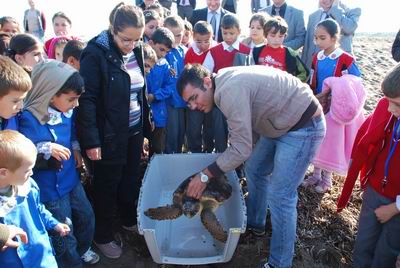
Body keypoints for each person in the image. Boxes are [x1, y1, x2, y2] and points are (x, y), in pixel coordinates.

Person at [177, 64, 326, 268]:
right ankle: (255, 224)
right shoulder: (221, 84)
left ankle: (279, 263)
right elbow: (247, 132)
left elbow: (240, 148)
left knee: (280, 195)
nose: (193, 106)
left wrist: (205, 175)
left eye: (194, 98)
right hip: (278, 122)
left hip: (304, 125)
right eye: (188, 104)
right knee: (255, 168)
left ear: (206, 82)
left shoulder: (228, 91)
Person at [77, 3, 151, 259]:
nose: (132, 45)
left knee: (131, 177)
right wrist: (91, 141)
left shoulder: (136, 49)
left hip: (132, 130)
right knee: (107, 185)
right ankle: (103, 234)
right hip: (107, 135)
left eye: (137, 39)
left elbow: (140, 92)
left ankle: (128, 218)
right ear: (112, 29)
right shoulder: (95, 53)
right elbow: (87, 99)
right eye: (126, 39)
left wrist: (143, 132)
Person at [18, 60, 99, 267]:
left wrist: (75, 147)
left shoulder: (65, 110)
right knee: (65, 230)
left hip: (70, 179)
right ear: (51, 93)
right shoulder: (28, 117)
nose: (76, 104)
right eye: (72, 99)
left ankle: (82, 250)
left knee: (87, 216)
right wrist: (44, 147)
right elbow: (17, 148)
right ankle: (71, 262)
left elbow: (70, 130)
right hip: (50, 190)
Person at [337, 64, 400, 268]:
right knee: (363, 243)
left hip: (397, 205)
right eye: (388, 101)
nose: (390, 109)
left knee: (386, 253)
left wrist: (395, 208)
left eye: (397, 104)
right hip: (375, 190)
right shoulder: (389, 111)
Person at [0, 130, 70, 267]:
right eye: (27, 171)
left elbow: (39, 208)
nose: (32, 173)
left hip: (42, 255)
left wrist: (53, 223)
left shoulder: (28, 186)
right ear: (3, 172)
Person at [303, 75, 366, 193]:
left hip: (334, 124)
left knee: (330, 151)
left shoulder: (343, 109)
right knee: (319, 149)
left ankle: (327, 180)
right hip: (327, 117)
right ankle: (316, 175)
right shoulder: (330, 102)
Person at [203, 14, 250, 153]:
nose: (228, 37)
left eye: (232, 33)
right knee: (219, 127)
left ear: (239, 31)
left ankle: (239, 158)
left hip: (240, 99)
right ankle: (220, 154)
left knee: (239, 129)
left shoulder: (246, 51)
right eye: (225, 33)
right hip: (220, 98)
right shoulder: (214, 51)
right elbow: (206, 73)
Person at [302, 0, 361, 69]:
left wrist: (335, 9)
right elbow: (308, 44)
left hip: (339, 63)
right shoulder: (313, 16)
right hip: (315, 64)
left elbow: (349, 29)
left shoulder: (351, 11)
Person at [185, 21, 215, 153]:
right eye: (199, 41)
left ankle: (209, 150)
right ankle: (195, 150)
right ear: (193, 36)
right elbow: (186, 75)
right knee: (194, 125)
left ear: (212, 37)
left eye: (206, 41)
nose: (203, 45)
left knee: (209, 126)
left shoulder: (215, 50)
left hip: (209, 97)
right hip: (195, 98)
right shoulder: (190, 52)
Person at [308, 19, 361, 94]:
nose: (318, 42)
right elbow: (312, 79)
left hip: (338, 101)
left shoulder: (346, 59)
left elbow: (356, 82)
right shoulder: (316, 57)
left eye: (322, 38)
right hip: (318, 99)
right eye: (316, 38)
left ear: (334, 38)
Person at [253, 16, 309, 82]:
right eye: (272, 36)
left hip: (281, 90)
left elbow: (304, 73)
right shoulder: (256, 50)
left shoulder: (290, 53)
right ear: (265, 35)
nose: (276, 40)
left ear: (285, 36)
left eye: (280, 36)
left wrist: (291, 85)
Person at [147, 27, 175, 155]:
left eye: (166, 52)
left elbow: (170, 87)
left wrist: (155, 96)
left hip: (159, 114)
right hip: (142, 114)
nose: (163, 54)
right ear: (151, 43)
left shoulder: (164, 65)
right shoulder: (140, 61)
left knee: (157, 148)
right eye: (161, 49)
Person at [163, 15, 187, 153]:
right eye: (171, 35)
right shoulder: (162, 52)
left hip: (183, 100)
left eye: (178, 35)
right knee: (170, 135)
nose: (174, 39)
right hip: (168, 101)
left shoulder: (183, 50)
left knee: (180, 134)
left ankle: (177, 162)